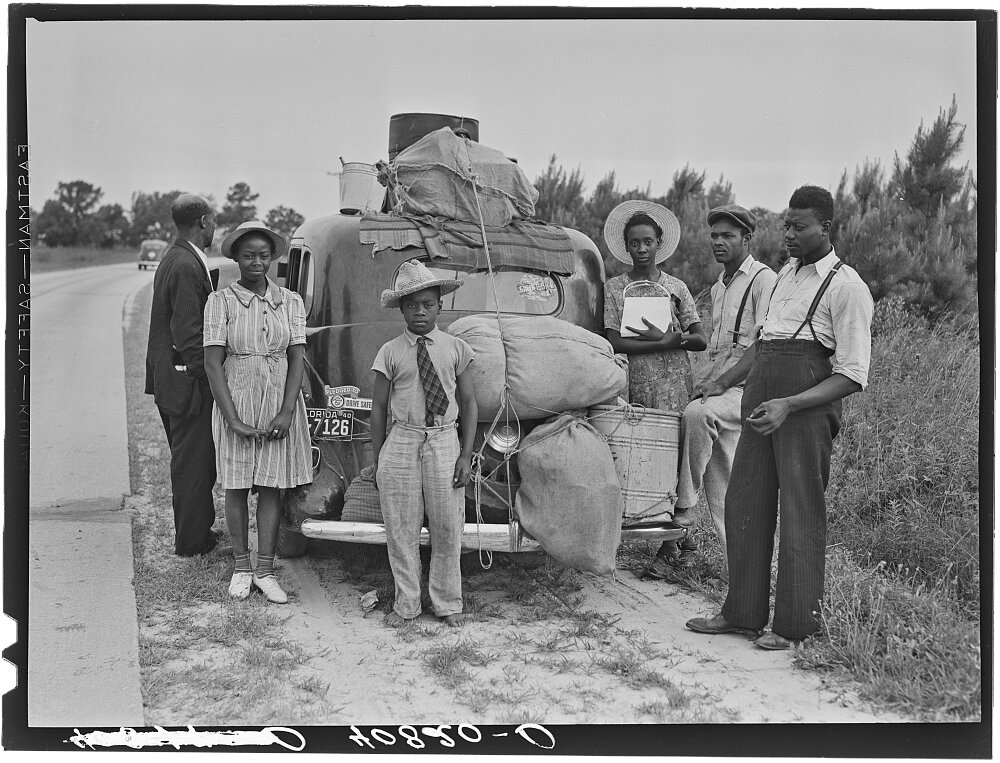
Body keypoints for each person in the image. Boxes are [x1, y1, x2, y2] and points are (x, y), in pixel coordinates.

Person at [685, 185, 873, 650]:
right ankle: (742, 613)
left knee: (800, 511)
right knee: (745, 503)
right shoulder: (785, 275)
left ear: (826, 228)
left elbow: (851, 374)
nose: (787, 234)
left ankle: (794, 626)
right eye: (785, 224)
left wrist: (790, 403)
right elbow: (764, 345)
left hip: (805, 410)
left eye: (799, 226)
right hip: (761, 403)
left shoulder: (847, 287)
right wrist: (725, 382)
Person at [203, 221, 312, 603]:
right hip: (238, 397)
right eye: (248, 255)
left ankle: (265, 570)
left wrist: (286, 411)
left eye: (264, 256)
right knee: (236, 484)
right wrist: (232, 418)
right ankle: (241, 566)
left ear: (273, 259)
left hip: (278, 401)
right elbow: (213, 363)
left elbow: (297, 358)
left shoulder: (291, 302)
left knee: (270, 485)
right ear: (235, 257)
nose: (256, 263)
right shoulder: (220, 302)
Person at [602, 200, 707, 579]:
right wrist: (663, 342)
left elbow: (699, 339)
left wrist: (672, 338)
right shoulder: (614, 288)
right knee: (637, 453)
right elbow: (614, 341)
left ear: (659, 243)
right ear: (626, 247)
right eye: (634, 243)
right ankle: (635, 525)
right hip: (633, 382)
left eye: (648, 241)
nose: (642, 249)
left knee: (676, 457)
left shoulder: (675, 287)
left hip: (675, 383)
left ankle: (676, 542)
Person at [370, 259, 478, 628]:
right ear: (401, 308)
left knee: (448, 525)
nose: (420, 312)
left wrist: (466, 454)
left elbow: (470, 404)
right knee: (401, 527)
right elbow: (380, 408)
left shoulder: (456, 348)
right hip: (402, 440)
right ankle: (407, 604)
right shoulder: (390, 351)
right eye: (412, 305)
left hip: (444, 440)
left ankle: (448, 603)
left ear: (440, 306)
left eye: (428, 304)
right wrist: (379, 458)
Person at [673, 205, 777, 571]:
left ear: (747, 239)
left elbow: (762, 345)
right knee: (725, 487)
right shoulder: (721, 285)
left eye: (727, 236)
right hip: (722, 385)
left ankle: (683, 506)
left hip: (748, 389)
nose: (718, 242)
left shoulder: (764, 280)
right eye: (714, 235)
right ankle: (742, 573)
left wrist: (720, 383)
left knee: (697, 415)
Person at [145, 193, 220, 556]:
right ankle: (192, 543)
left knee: (194, 460)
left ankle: (198, 533)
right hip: (186, 384)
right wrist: (210, 381)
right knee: (194, 464)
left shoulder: (177, 257)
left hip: (173, 379)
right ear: (203, 221)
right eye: (214, 220)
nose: (215, 227)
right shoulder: (187, 264)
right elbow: (190, 336)